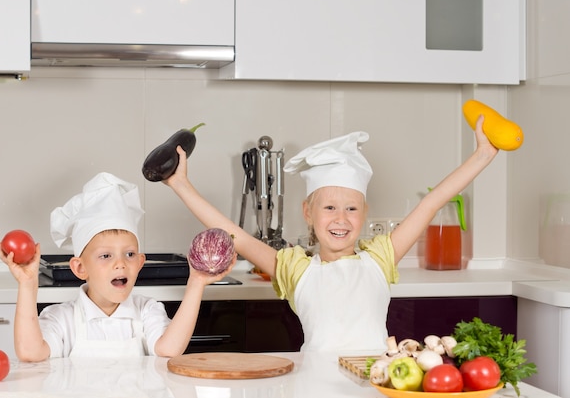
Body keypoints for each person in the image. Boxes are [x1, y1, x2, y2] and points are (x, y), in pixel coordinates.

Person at [164, 117, 498, 354]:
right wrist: (181, 185)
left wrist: (482, 155)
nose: (341, 219)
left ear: (364, 213)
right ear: (308, 212)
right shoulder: (295, 269)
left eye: (352, 209)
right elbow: (236, 235)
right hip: (314, 387)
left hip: (375, 382)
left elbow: (431, 203)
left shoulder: (380, 258)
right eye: (329, 209)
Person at [0, 172, 235, 362]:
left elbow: (169, 350)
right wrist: (28, 285)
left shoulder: (147, 311)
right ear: (80, 268)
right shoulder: (63, 318)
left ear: (140, 263)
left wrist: (196, 283)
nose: (120, 263)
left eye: (130, 254)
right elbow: (30, 353)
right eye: (105, 256)